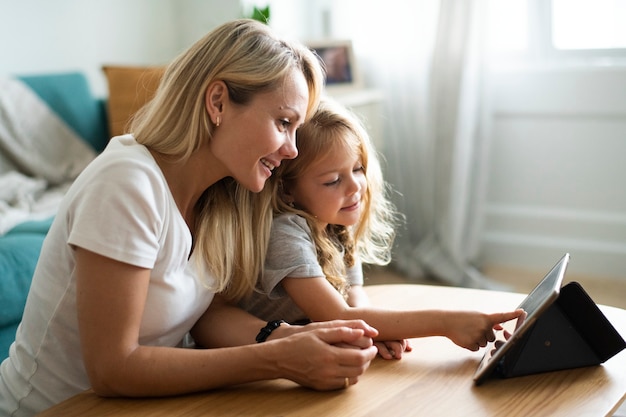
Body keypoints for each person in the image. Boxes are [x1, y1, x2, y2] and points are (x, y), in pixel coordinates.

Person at [0, 20, 380, 417]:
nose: (292, 150)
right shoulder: (127, 183)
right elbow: (112, 369)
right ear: (217, 102)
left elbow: (207, 313)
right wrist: (277, 358)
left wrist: (294, 337)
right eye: (284, 123)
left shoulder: (222, 196)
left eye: (297, 129)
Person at [240, 98, 524, 360]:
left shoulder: (334, 225)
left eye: (358, 169)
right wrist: (446, 323)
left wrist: (375, 333)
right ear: (288, 189)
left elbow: (355, 299)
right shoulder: (285, 234)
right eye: (332, 181)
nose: (355, 187)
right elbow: (338, 314)